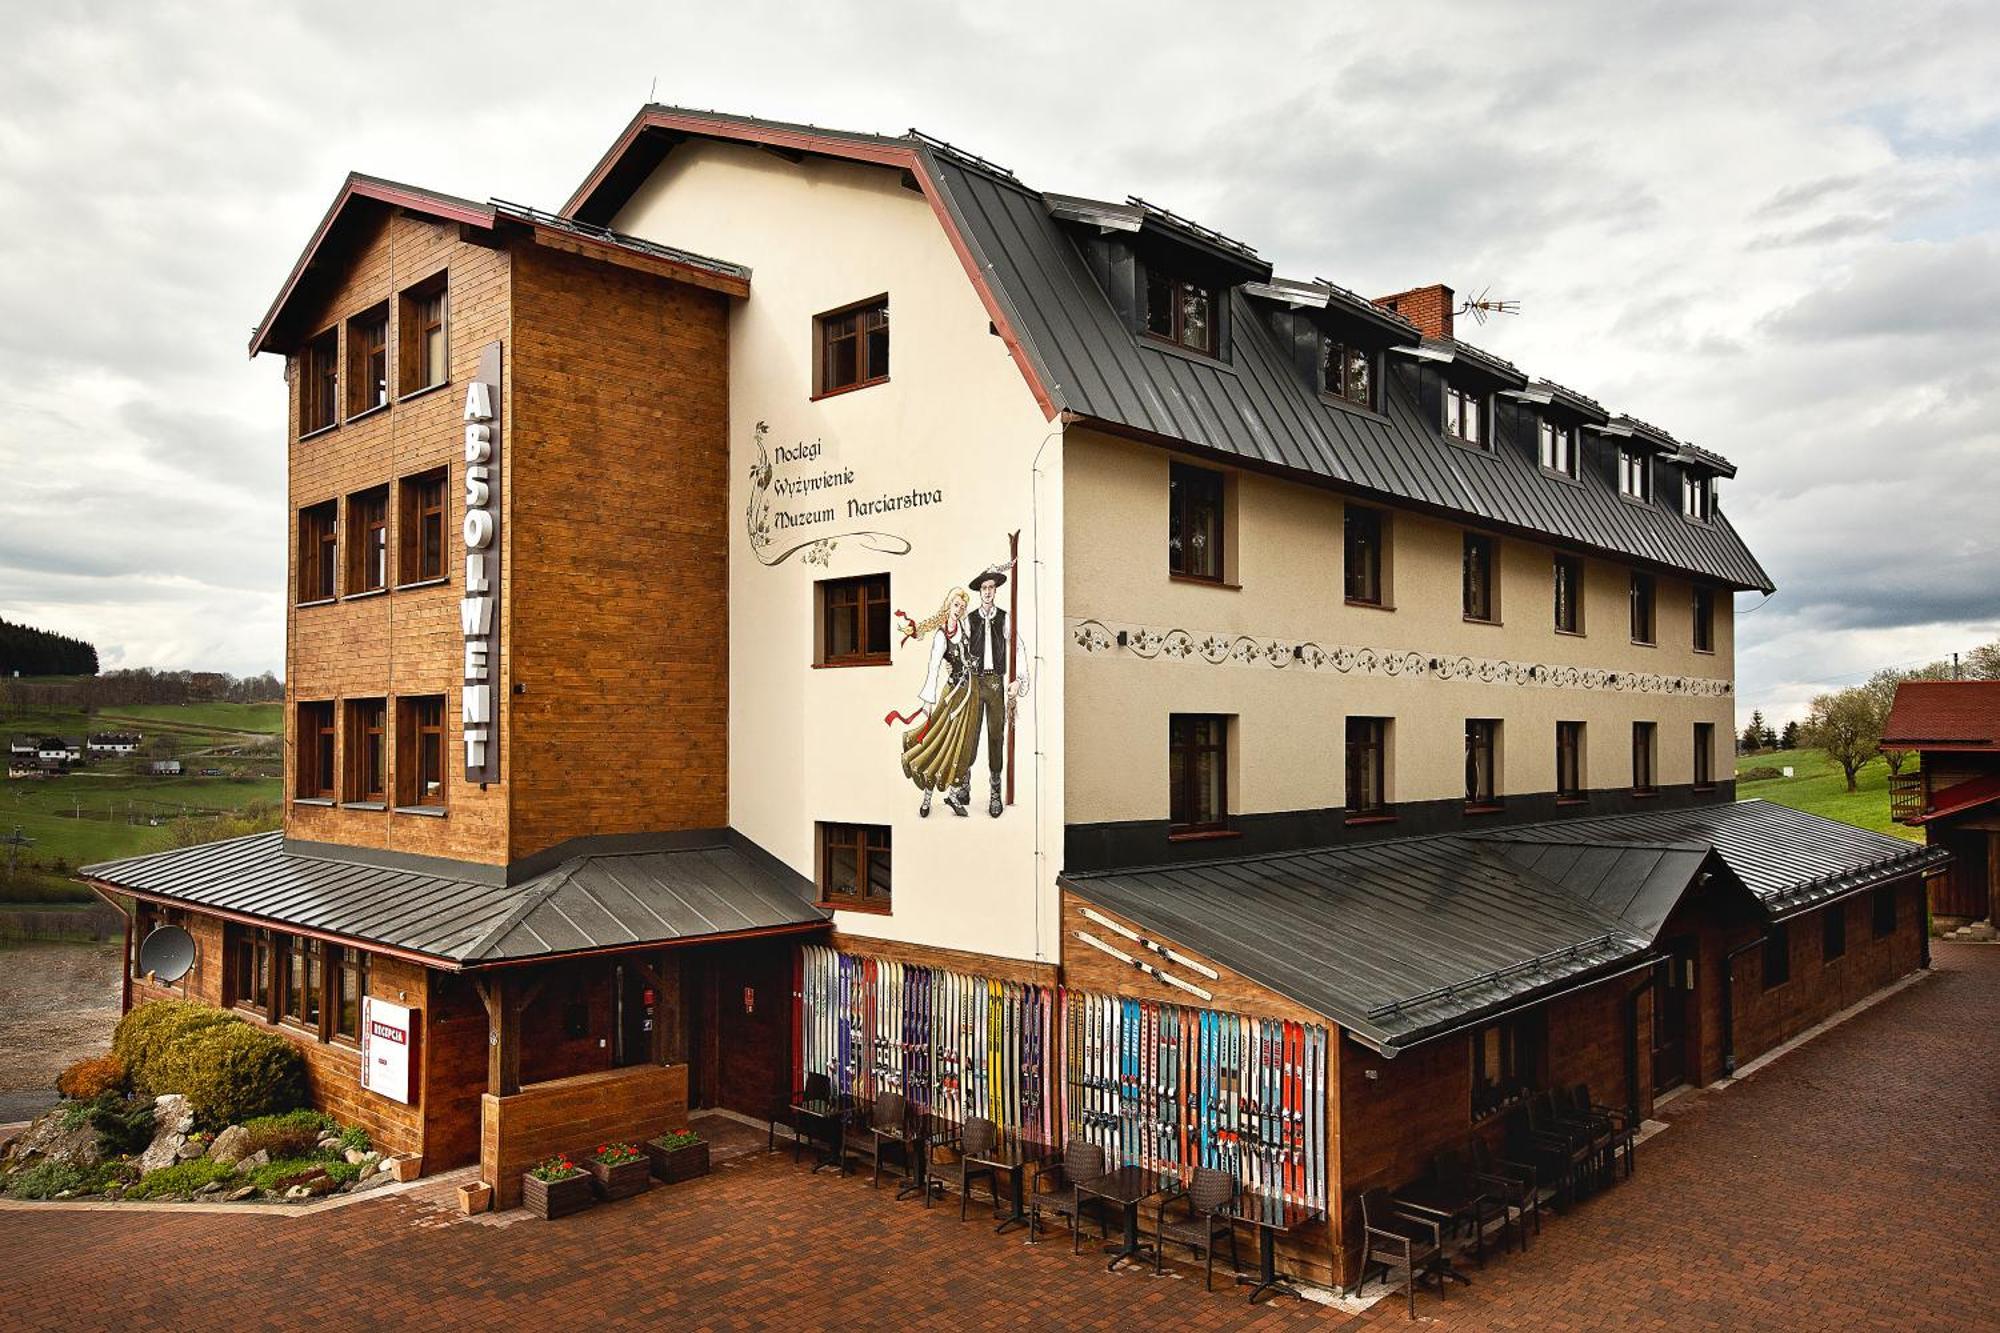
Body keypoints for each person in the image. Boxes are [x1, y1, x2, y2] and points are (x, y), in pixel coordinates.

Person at [887, 587, 979, 817]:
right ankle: (927, 798)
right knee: (939, 744)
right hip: (952, 696)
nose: (959, 610)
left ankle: (954, 795)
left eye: (963, 606)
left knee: (962, 745)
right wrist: (928, 701)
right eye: (956, 605)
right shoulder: (941, 635)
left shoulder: (964, 628)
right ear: (948, 605)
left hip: (970, 694)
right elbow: (933, 668)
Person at [959, 563, 1029, 817]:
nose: (988, 592)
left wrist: (1018, 680)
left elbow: (1018, 648)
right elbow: (959, 651)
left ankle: (995, 791)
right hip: (975, 683)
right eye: (984, 588)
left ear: (995, 591)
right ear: (979, 592)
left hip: (997, 683)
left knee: (995, 734)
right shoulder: (969, 621)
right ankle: (965, 785)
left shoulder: (1004, 618)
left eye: (991, 588)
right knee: (970, 733)